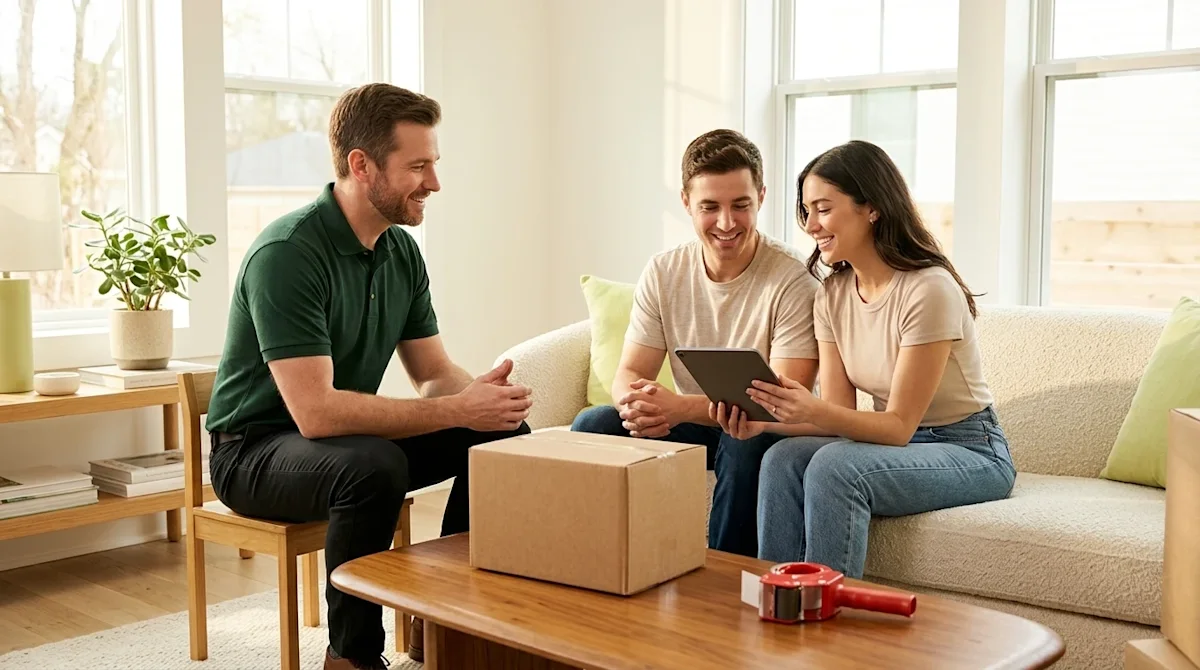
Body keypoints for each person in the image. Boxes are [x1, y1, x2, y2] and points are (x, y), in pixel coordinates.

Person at [204, 83, 533, 670]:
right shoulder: (287, 254)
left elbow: (432, 374)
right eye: (419, 166)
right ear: (362, 165)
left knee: (502, 437)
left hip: (339, 442)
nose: (434, 182)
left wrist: (480, 398)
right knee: (371, 468)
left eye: (434, 164)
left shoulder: (400, 251)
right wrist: (456, 409)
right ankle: (351, 656)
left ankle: (446, 625)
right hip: (253, 452)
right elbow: (317, 413)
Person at [713, 139, 1015, 579]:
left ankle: (827, 620)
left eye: (823, 208)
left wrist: (812, 408)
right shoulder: (833, 294)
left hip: (968, 448)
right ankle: (776, 604)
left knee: (836, 469)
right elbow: (838, 415)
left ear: (870, 207)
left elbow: (898, 426)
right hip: (894, 443)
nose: (812, 225)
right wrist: (766, 422)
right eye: (807, 211)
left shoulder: (928, 289)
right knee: (781, 458)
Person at [570, 129, 821, 558]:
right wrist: (638, 406)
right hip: (703, 424)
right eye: (710, 207)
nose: (726, 223)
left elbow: (779, 402)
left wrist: (679, 407)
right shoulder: (665, 271)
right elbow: (630, 372)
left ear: (760, 196)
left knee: (745, 440)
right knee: (595, 423)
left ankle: (722, 591)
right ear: (686, 203)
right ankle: (598, 568)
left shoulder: (794, 278)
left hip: (770, 431)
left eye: (741, 205)